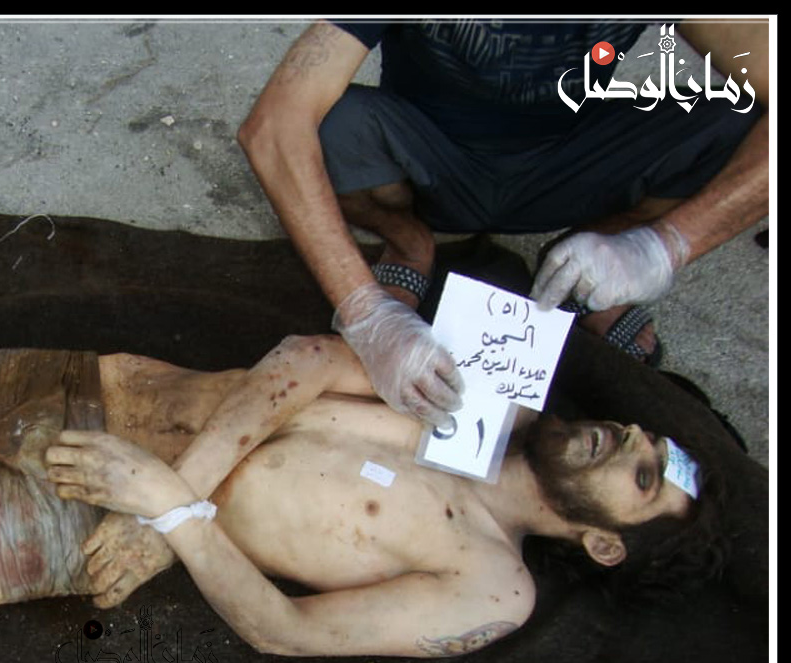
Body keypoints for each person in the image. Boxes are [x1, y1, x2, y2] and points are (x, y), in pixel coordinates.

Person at [0, 335, 720, 658]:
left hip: (77, 520)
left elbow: (287, 630)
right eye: (647, 437)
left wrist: (171, 526)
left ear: (605, 547)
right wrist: (175, 489)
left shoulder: (492, 588)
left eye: (641, 477)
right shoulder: (489, 390)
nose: (629, 440)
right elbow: (307, 356)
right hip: (95, 393)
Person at [237, 19, 768, 427]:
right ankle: (406, 238)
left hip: (570, 160)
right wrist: (365, 312)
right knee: (327, 121)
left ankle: (603, 252)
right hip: (429, 160)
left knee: (734, 122)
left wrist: (663, 246)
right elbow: (273, 126)